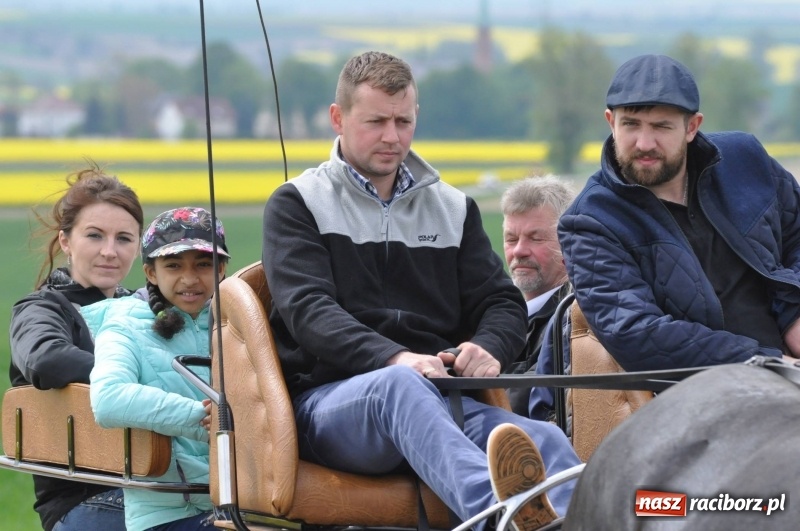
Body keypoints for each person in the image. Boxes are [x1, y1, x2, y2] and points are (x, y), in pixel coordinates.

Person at [261, 50, 580, 531]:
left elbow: (500, 301)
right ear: (337, 118)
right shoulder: (298, 203)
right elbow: (309, 312)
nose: (392, 137)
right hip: (330, 407)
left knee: (542, 441)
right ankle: (499, 518)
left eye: (403, 121)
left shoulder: (453, 208)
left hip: (441, 401)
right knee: (399, 386)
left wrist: (489, 347)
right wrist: (394, 358)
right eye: (376, 122)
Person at [530, 54, 800, 420]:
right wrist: (763, 361)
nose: (644, 142)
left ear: (692, 127)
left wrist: (793, 316)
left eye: (661, 127)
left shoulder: (746, 160)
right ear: (610, 122)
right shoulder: (590, 222)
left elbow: (796, 237)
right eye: (631, 124)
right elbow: (636, 333)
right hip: (694, 398)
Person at [9, 166, 144, 531]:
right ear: (66, 241)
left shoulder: (147, 309)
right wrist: (139, 371)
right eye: (95, 236)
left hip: (157, 483)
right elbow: (46, 359)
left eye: (124, 239)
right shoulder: (43, 308)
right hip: (84, 501)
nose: (109, 252)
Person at [86, 207, 229, 531]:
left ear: (222, 269)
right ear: (151, 272)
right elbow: (108, 398)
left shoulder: (241, 322)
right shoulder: (125, 327)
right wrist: (201, 418)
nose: (190, 279)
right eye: (174, 265)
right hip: (171, 512)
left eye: (204, 265)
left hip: (248, 503)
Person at [500, 175, 575, 416]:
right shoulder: (495, 314)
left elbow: (519, 405)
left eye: (535, 238)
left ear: (571, 243)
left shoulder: (574, 319)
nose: (519, 251)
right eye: (511, 239)